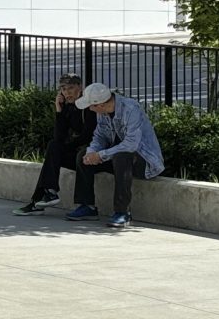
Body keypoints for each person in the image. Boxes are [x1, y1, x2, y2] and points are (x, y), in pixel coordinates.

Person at [66, 82, 163, 229]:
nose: (90, 109)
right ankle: (87, 206)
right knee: (83, 156)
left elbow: (131, 145)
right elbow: (99, 136)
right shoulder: (102, 113)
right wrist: (92, 152)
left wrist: (101, 155)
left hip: (144, 162)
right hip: (116, 159)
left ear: (101, 105)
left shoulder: (131, 109)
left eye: (91, 106)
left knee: (122, 157)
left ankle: (122, 212)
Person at [16, 76, 96, 214]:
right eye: (63, 89)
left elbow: (87, 136)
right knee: (53, 146)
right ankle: (48, 194)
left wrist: (66, 147)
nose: (67, 92)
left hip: (93, 155)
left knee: (62, 151)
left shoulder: (89, 107)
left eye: (71, 88)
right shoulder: (68, 107)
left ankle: (40, 201)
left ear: (80, 87)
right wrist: (59, 110)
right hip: (77, 152)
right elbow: (59, 138)